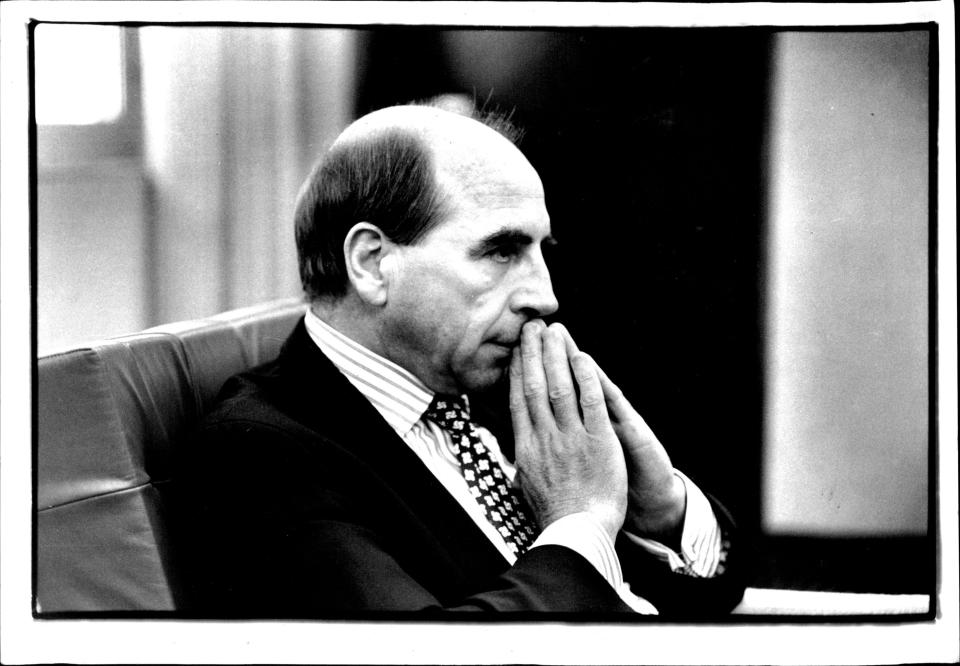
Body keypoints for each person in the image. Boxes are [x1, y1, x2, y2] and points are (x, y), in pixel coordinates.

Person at [175, 103, 748, 616]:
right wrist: (583, 523)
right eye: (501, 250)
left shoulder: (493, 392)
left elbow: (700, 595)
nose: (544, 297)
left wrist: (662, 509)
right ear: (372, 263)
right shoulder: (258, 452)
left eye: (539, 252)